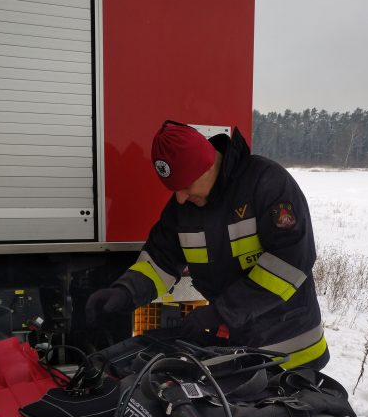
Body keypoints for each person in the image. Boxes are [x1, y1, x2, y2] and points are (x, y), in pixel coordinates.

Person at [86, 120, 329, 370]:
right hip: (243, 353)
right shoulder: (184, 209)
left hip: (294, 351)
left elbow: (291, 260)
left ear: (207, 165)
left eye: (186, 186)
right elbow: (160, 261)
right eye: (174, 190)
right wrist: (124, 292)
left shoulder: (267, 183)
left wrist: (222, 311)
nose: (180, 197)